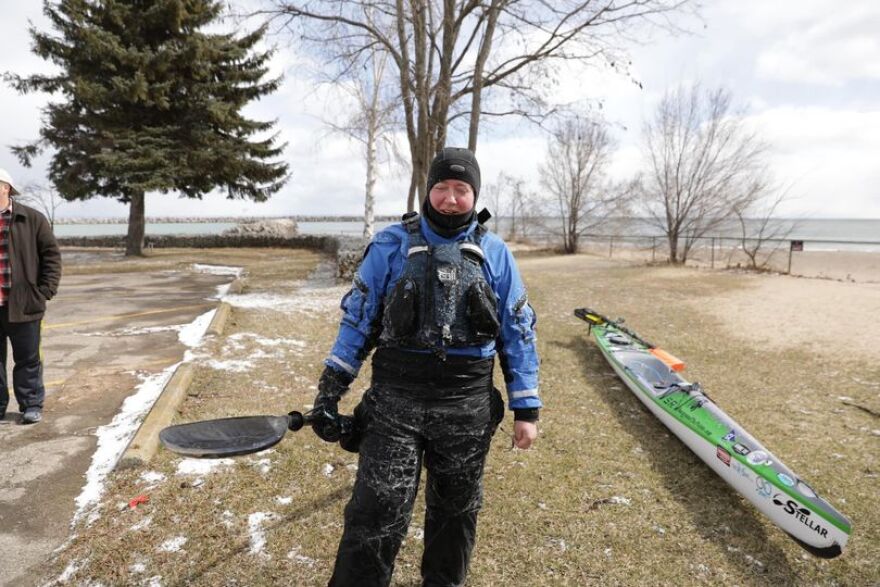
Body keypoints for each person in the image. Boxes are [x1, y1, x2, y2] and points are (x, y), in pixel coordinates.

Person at [312, 147, 541, 586]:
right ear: (427, 190)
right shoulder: (389, 245)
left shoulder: (495, 253)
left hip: (466, 405)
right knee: (375, 512)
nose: (450, 198)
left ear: (474, 195)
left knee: (456, 512)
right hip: (394, 403)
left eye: (461, 190)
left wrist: (526, 409)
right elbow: (358, 322)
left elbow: (517, 331)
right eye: (442, 187)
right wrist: (329, 392)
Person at [0, 169, 61, 425]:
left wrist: (44, 291)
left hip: (24, 303)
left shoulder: (32, 218)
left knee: (28, 358)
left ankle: (31, 405)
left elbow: (51, 256)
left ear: (6, 188)